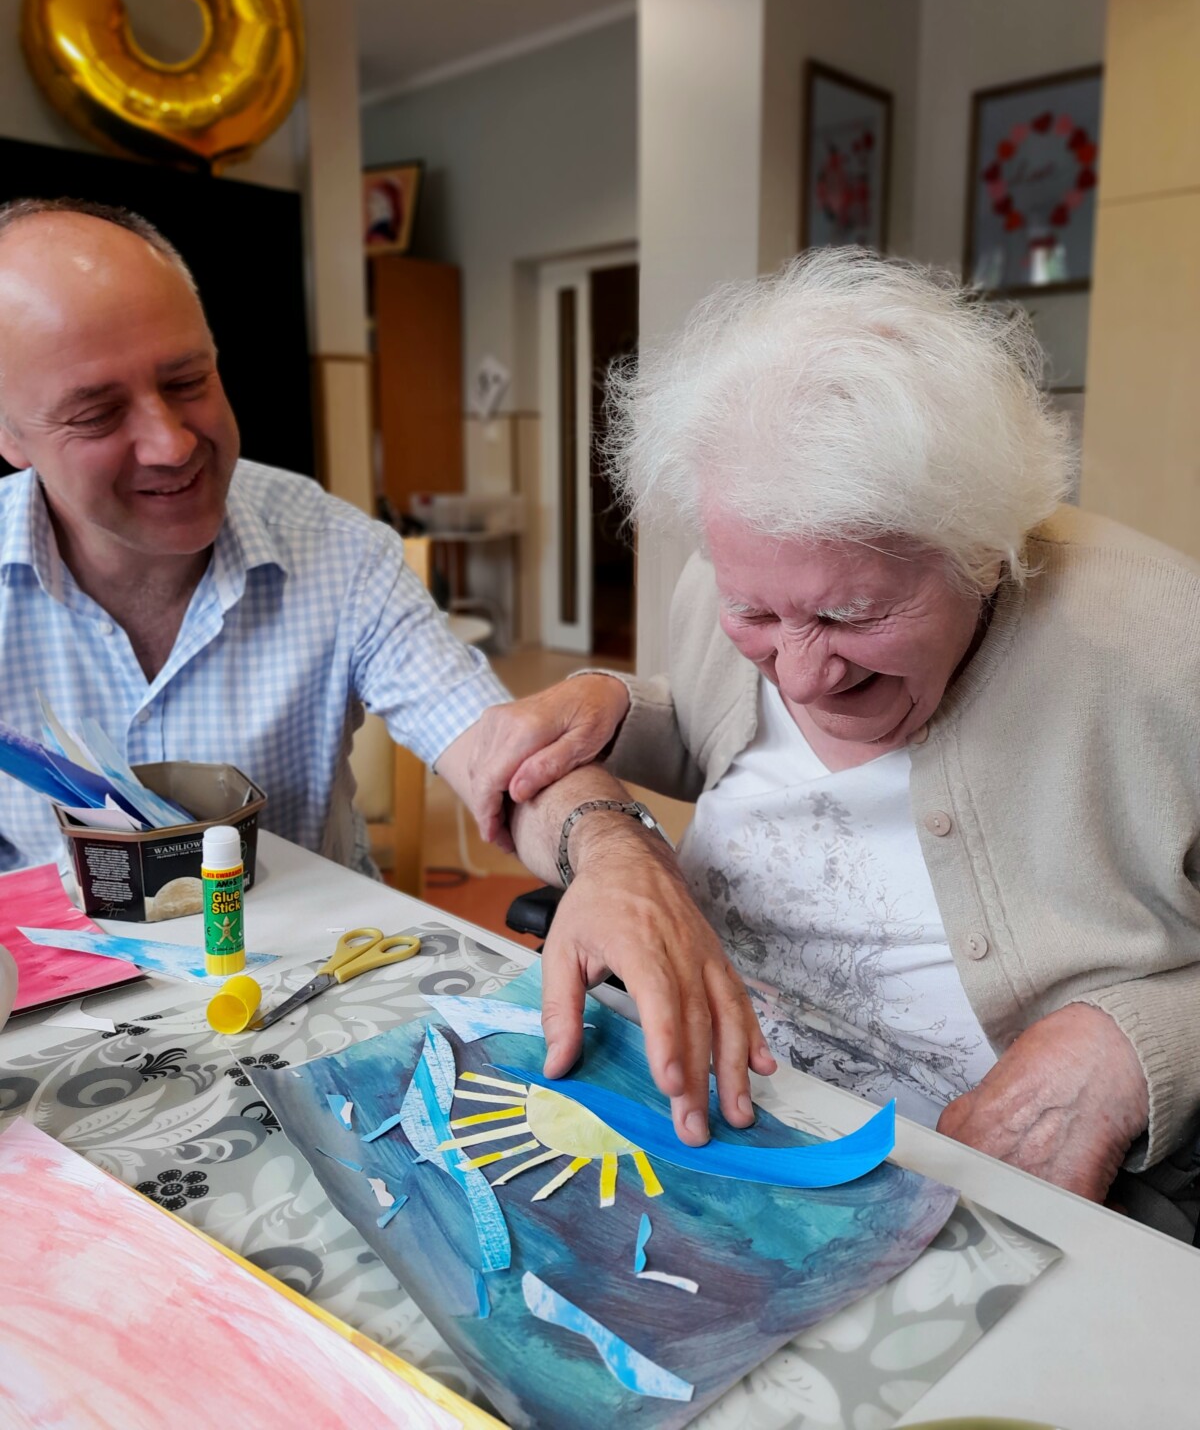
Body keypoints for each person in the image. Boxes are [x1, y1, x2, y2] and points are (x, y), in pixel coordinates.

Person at [0, 198, 771, 1143]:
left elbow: (498, 750)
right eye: (95, 414)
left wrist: (615, 852)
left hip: (317, 1012)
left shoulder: (338, 551)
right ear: (11, 435)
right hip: (53, 1046)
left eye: (188, 380)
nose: (170, 441)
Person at [466, 248, 1200, 1205]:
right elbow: (706, 737)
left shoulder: (1161, 645)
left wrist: (1129, 1046)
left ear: (983, 551)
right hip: (680, 1109)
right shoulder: (731, 566)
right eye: (757, 616)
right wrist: (618, 719)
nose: (805, 677)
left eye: (855, 616)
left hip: (963, 1179)